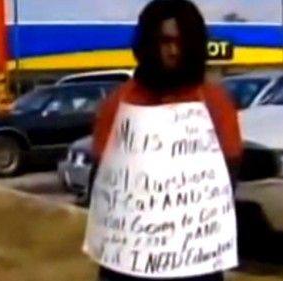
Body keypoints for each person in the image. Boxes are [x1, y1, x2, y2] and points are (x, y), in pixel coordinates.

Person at [87, 0, 243, 281]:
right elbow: (101, 182)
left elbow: (228, 178)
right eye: (165, 41)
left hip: (195, 263)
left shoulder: (215, 103)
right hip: (127, 263)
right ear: (148, 43)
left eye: (182, 43)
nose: (173, 51)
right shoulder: (118, 104)